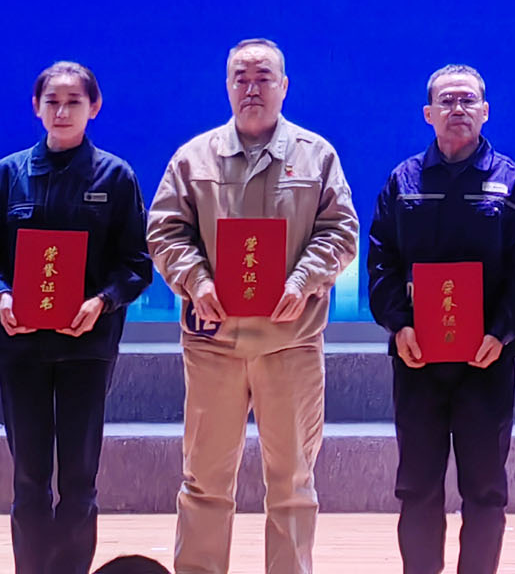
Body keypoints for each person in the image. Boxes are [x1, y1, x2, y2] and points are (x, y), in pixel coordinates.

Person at [146, 39, 360, 574]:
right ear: (227, 86)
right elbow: (165, 232)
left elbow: (341, 232)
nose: (251, 88)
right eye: (240, 78)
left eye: (263, 78)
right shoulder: (193, 157)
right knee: (204, 482)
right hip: (213, 344)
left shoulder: (316, 155)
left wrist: (303, 281)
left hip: (290, 343)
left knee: (292, 484)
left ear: (284, 86)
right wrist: (196, 282)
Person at [0, 61, 153, 574]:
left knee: (79, 480)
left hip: (86, 347)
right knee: (28, 479)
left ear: (94, 107)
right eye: (52, 101)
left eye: (73, 102)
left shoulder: (116, 177)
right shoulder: (7, 176)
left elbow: (136, 266)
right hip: (21, 346)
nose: (62, 111)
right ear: (36, 107)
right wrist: (1, 296)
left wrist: (101, 302)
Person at [369, 63, 515, 574]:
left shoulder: (510, 181)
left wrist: (502, 331)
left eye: (468, 100)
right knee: (417, 488)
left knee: (485, 490)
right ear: (428, 113)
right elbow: (381, 261)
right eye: (446, 101)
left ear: (486, 111)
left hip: (486, 361)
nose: (457, 109)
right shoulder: (403, 181)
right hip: (418, 360)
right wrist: (398, 324)